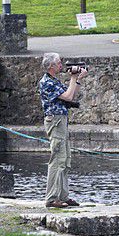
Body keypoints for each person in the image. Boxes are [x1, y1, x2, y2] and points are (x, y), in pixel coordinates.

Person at [39, 52, 88, 208]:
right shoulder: (47, 82)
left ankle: (63, 196)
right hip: (55, 121)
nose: (62, 65)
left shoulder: (54, 80)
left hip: (61, 121)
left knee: (65, 160)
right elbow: (67, 97)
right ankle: (51, 198)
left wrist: (78, 79)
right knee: (57, 160)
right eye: (59, 63)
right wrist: (73, 78)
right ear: (52, 66)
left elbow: (71, 95)